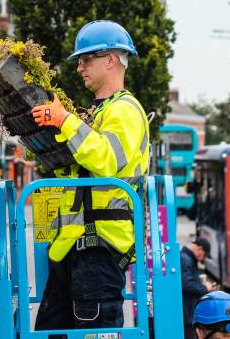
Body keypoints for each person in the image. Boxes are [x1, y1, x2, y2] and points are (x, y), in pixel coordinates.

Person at [29, 20, 150, 330]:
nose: (79, 67)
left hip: (101, 246)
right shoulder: (98, 112)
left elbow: (106, 159)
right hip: (72, 244)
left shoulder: (124, 110)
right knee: (51, 331)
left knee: (92, 329)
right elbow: (79, 169)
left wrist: (65, 121)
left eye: (86, 59)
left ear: (111, 60)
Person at [182, 238, 212, 338]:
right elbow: (187, 284)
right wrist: (205, 288)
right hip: (187, 314)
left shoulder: (187, 258)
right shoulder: (186, 259)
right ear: (199, 249)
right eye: (204, 255)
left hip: (188, 313)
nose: (202, 259)